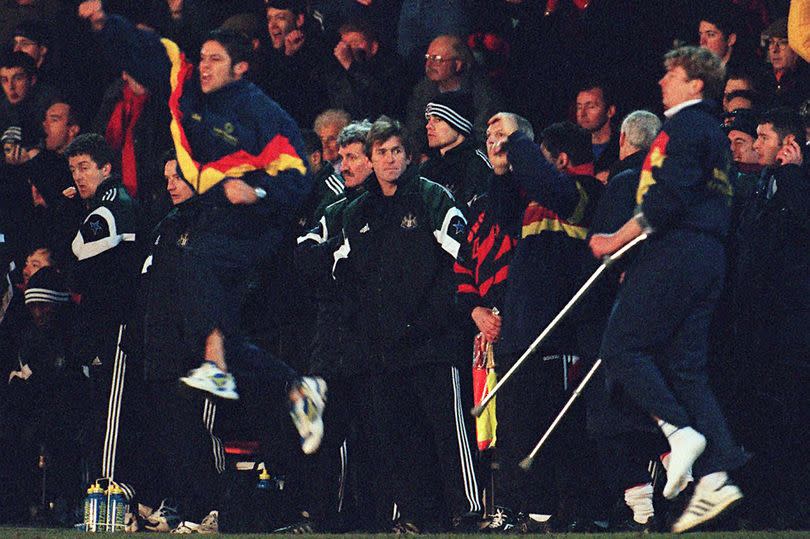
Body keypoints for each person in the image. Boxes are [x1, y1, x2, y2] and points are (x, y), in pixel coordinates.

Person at [77, 1, 319, 418]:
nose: (204, 67)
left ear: (240, 68)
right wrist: (105, 24)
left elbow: (299, 175)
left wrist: (258, 192)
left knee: (196, 262)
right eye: (203, 57)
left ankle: (218, 367)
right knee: (213, 331)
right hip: (213, 211)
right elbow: (150, 50)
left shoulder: (263, 115)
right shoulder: (185, 84)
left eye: (216, 60)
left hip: (256, 221)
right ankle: (296, 387)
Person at [590, 46, 748, 533]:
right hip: (708, 255)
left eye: (671, 74)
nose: (662, 82)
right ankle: (719, 472)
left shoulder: (684, 127)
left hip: (676, 252)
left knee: (621, 347)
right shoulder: (712, 134)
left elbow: (667, 199)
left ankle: (680, 435)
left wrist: (615, 240)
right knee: (686, 367)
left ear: (696, 83)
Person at [331, 116, 480, 532]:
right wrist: (364, 323)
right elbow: (342, 273)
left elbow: (461, 256)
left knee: (449, 431)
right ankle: (420, 515)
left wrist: (440, 316)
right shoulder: (356, 211)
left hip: (434, 341)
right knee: (402, 438)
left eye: (397, 151)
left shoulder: (432, 198)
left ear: (409, 155)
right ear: (371, 159)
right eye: (381, 152)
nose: (389, 159)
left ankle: (469, 510)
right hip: (382, 347)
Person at [485, 116, 602, 532]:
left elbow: (548, 184)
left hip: (561, 329)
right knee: (519, 426)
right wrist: (500, 168)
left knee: (561, 429)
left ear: (564, 160)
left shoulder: (588, 192)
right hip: (523, 329)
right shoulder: (538, 196)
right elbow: (501, 217)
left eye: (543, 158)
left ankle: (573, 513)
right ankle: (534, 513)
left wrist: (517, 138)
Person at [729, 107, 809, 529]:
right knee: (759, 422)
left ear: (788, 144)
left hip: (791, 330)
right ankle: (763, 508)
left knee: (792, 419)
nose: (755, 144)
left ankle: (794, 509)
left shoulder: (797, 184)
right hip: (757, 328)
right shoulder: (759, 186)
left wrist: (796, 175)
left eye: (763, 137)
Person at [65, 133, 139, 498]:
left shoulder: (108, 209)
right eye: (73, 169)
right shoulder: (110, 203)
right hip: (114, 323)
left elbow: (76, 264)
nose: (78, 176)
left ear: (106, 168)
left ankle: (108, 492)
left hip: (117, 324)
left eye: (84, 167)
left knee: (112, 412)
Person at [405, 34, 504, 156]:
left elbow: (483, 135)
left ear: (457, 64)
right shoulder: (424, 88)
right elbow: (414, 129)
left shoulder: (482, 92)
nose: (429, 65)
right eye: (428, 58)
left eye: (437, 59)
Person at [419, 90, 492, 214]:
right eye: (428, 120)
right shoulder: (426, 168)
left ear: (459, 124)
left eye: (437, 120)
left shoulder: (477, 167)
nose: (428, 126)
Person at [575, 80, 619, 183]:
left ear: (610, 111)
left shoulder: (624, 146)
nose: (582, 114)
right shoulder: (569, 147)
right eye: (579, 107)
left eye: (591, 107)